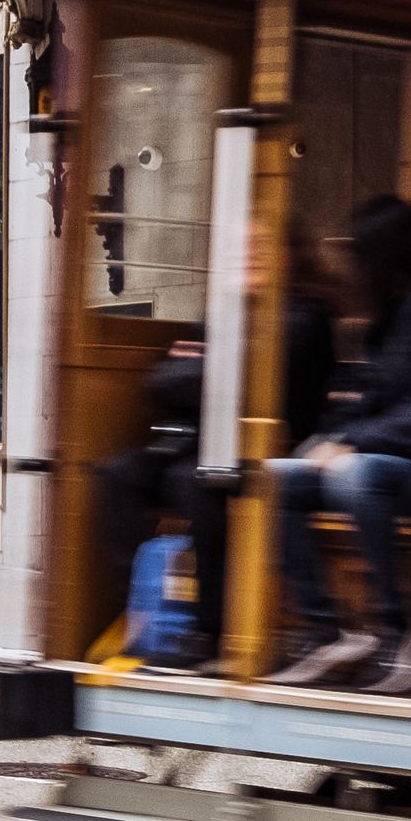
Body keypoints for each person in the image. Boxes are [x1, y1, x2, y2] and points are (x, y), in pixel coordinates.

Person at [94, 219, 341, 671]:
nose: (249, 253)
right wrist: (216, 368)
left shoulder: (306, 314)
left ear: (289, 254)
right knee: (119, 473)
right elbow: (164, 381)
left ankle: (209, 628)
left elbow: (259, 380)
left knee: (201, 484)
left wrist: (209, 366)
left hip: (267, 453)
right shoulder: (223, 312)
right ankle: (141, 611)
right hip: (197, 443)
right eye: (240, 245)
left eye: (261, 244)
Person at [268, 195, 411, 693]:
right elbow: (369, 390)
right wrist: (327, 439)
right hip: (383, 445)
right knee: (268, 479)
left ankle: (401, 624)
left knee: (356, 474)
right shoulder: (399, 305)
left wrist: (350, 442)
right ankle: (326, 629)